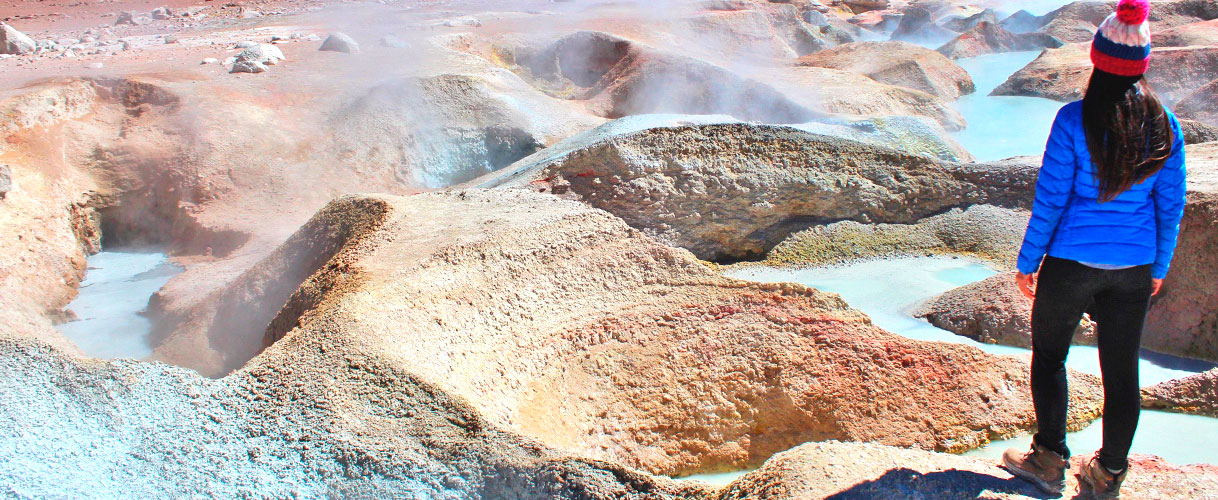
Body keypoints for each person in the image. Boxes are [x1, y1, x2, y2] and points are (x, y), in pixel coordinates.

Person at [1000, 0, 1187, 498]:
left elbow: (1051, 199)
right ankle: (1108, 473)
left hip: (1070, 263)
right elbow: (1170, 208)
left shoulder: (1072, 120)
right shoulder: (1166, 124)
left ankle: (1049, 458)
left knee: (1050, 358)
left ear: (1098, 58)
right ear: (1143, 64)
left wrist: (1027, 261)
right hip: (1133, 267)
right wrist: (1159, 265)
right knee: (1122, 371)